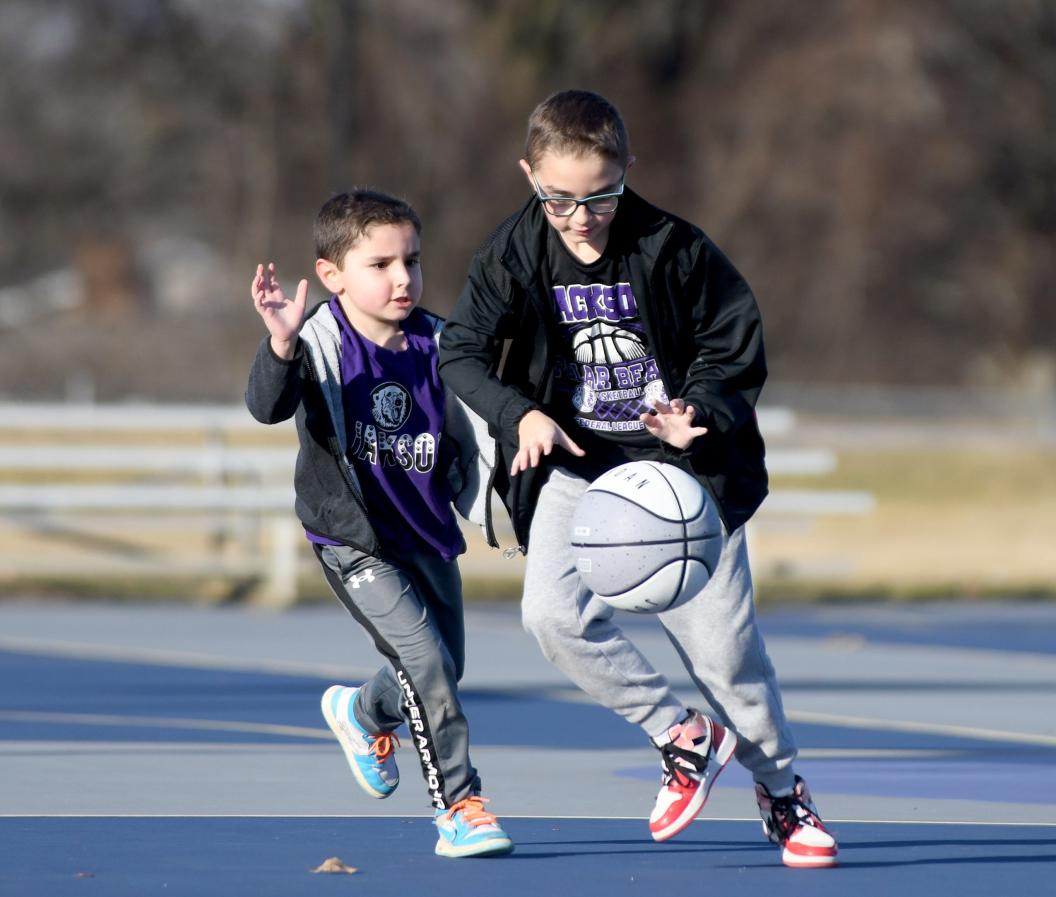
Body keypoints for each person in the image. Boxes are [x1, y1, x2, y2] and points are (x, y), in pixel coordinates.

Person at [438, 90, 838, 869]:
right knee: (551, 617)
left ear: (628, 174)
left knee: (725, 653)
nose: (580, 216)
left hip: (683, 474)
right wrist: (518, 412)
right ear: (529, 176)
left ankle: (782, 791)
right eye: (559, 199)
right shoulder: (515, 251)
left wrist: (703, 412)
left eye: (600, 196)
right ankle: (681, 736)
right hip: (579, 466)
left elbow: (736, 344)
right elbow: (461, 350)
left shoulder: (675, 248)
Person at [245, 189, 512, 859]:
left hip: (428, 537)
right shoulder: (316, 341)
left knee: (440, 668)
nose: (403, 278)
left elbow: (481, 432)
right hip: (355, 543)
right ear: (333, 275)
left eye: (413, 261)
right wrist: (279, 343)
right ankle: (460, 805)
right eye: (381, 264)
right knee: (425, 662)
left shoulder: (443, 344)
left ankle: (362, 714)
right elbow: (266, 406)